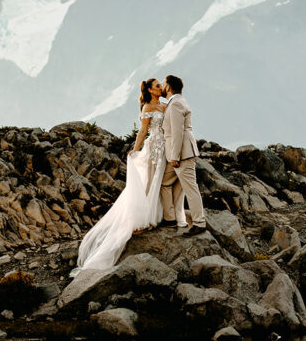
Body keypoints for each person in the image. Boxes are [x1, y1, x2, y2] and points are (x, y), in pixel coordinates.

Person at [71, 77, 167, 275]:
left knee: (160, 179)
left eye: (160, 85)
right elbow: (142, 131)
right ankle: (145, 217)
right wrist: (135, 149)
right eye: (157, 86)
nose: (160, 88)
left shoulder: (163, 104)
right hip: (154, 147)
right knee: (150, 179)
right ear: (150, 90)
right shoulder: (147, 107)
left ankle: (159, 212)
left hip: (165, 145)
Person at [160, 74, 206, 236]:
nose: (162, 86)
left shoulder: (176, 104)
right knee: (165, 182)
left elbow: (177, 132)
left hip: (182, 154)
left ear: (169, 87)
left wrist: (174, 156)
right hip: (181, 152)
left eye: (164, 84)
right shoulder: (176, 102)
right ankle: (170, 216)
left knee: (191, 188)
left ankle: (199, 223)